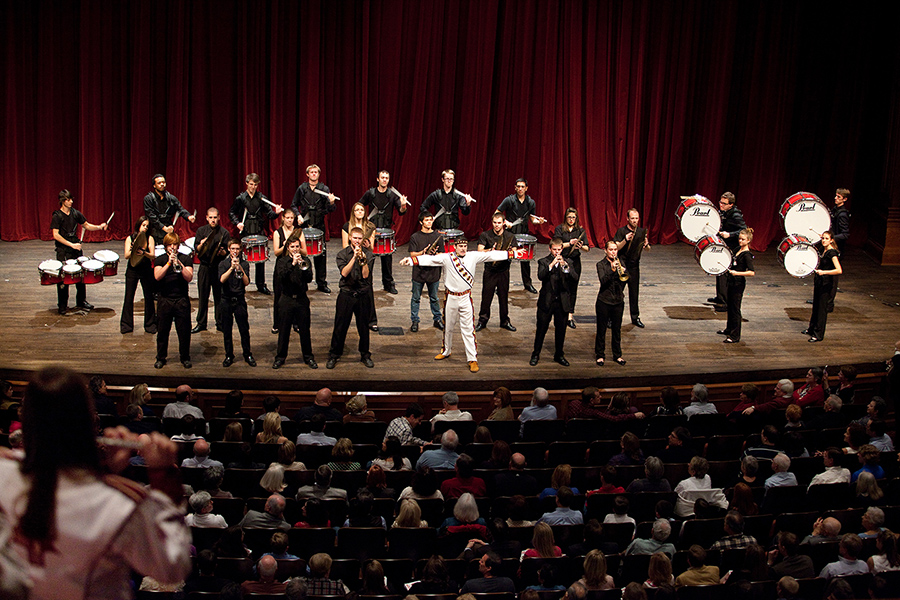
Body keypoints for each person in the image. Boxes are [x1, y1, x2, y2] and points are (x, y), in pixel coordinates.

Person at [0, 366, 191, 597]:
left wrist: (104, 467)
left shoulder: (5, 472)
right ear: (88, 422)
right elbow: (171, 568)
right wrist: (164, 477)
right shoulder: (120, 505)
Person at [400, 236, 523, 373]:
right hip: (451, 298)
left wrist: (513, 253)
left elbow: (491, 255)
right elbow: (429, 259)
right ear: (455, 247)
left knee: (468, 329)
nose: (463, 248)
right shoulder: (447, 257)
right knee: (448, 327)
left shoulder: (473, 256)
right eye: (460, 246)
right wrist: (410, 260)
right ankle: (446, 350)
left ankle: (472, 359)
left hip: (465, 298)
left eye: (465, 246)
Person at [50, 189, 108, 314]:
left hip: (75, 248)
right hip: (63, 250)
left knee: (80, 274)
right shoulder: (57, 216)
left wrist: (99, 226)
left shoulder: (75, 213)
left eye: (71, 199)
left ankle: (81, 301)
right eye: (68, 200)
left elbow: (86, 225)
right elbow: (56, 235)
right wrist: (72, 245)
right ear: (63, 201)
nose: (71, 201)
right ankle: (62, 305)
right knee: (64, 277)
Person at [326, 226, 375, 369]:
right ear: (350, 238)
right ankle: (334, 355)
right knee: (340, 327)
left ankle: (365, 355)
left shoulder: (369, 255)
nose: (357, 241)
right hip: (346, 294)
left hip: (362, 295)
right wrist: (354, 257)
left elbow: (366, 275)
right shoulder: (342, 254)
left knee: (363, 328)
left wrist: (363, 260)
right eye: (355, 238)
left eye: (360, 239)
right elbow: (344, 273)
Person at [229, 173, 283, 294]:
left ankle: (260, 285)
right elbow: (231, 213)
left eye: (255, 185)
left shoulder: (261, 198)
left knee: (260, 259)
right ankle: (239, 282)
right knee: (242, 259)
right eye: (251, 184)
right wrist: (237, 223)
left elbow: (270, 214)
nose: (253, 187)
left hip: (258, 231)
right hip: (245, 231)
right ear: (247, 183)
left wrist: (277, 213)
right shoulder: (241, 199)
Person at [359, 169, 408, 294]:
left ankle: (388, 284)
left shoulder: (392, 195)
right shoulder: (370, 193)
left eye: (387, 178)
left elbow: (402, 212)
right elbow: (359, 206)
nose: (384, 179)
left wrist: (403, 205)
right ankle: (366, 283)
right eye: (382, 177)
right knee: (369, 258)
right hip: (371, 231)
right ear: (378, 179)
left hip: (386, 230)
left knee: (387, 260)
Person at [531, 237, 578, 366]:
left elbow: (575, 278)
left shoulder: (568, 262)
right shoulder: (544, 261)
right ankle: (535, 354)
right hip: (546, 302)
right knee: (541, 330)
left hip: (562, 303)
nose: (557, 252)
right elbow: (541, 276)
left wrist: (565, 266)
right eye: (554, 250)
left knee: (561, 331)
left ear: (562, 249)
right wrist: (551, 265)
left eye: (559, 250)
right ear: (550, 249)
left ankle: (559, 355)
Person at [272, 234, 317, 369]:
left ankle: (308, 357)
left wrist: (301, 265)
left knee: (305, 330)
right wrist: (292, 264)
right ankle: (280, 358)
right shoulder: (282, 262)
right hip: (286, 299)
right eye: (292, 247)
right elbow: (281, 277)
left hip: (302, 299)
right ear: (288, 248)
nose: (296, 249)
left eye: (297, 246)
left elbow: (309, 278)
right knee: (284, 331)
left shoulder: (306, 260)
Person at [291, 163, 337, 293]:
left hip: (319, 226)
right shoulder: (302, 189)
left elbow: (330, 209)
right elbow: (293, 205)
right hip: (304, 226)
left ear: (319, 174)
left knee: (320, 255)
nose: (314, 174)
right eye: (311, 172)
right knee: (302, 253)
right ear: (307, 174)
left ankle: (321, 283)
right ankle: (301, 281)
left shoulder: (324, 189)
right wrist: (298, 215)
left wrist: (332, 202)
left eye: (316, 172)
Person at [497, 178, 545, 293]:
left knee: (525, 261)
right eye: (518, 186)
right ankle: (501, 286)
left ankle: (527, 284)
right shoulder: (509, 200)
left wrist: (539, 222)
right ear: (515, 187)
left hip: (524, 234)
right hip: (510, 234)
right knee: (506, 260)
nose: (520, 189)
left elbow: (533, 219)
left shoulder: (530, 202)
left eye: (522, 187)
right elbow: (497, 213)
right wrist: (505, 222)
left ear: (526, 188)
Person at [154, 232, 194, 368]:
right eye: (170, 245)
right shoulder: (159, 259)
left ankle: (185, 357)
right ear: (165, 246)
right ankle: (160, 358)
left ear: (178, 245)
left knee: (184, 332)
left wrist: (179, 263)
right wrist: (168, 263)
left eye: (175, 244)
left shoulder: (186, 259)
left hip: (181, 300)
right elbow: (157, 276)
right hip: (165, 300)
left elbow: (189, 277)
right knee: (162, 331)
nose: (173, 247)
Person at [475, 212, 517, 332]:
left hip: (504, 271)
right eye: (494, 223)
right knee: (486, 297)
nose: (496, 225)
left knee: (504, 297)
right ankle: (482, 321)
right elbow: (480, 251)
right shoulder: (485, 235)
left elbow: (514, 252)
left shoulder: (510, 236)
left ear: (504, 223)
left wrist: (508, 252)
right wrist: (491, 251)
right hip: (490, 271)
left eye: (499, 223)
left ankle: (504, 321)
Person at [217, 239, 256, 367]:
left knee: (244, 329)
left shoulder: (244, 264)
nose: (235, 251)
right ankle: (229, 355)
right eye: (233, 249)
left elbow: (246, 282)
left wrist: (239, 268)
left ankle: (247, 354)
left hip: (239, 300)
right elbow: (221, 280)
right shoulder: (223, 263)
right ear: (229, 249)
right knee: (227, 330)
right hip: (226, 300)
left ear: (240, 250)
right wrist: (231, 268)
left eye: (237, 249)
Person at [192, 207, 231, 333]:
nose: (213, 220)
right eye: (211, 217)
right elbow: (196, 249)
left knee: (219, 296)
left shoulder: (224, 233)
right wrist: (202, 244)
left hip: (218, 267)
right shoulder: (201, 231)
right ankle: (201, 323)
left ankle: (220, 322)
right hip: (204, 267)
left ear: (219, 217)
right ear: (206, 218)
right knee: (203, 296)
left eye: (215, 217)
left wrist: (222, 252)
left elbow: (226, 252)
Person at [343, 201, 379, 330]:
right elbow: (344, 247)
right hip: (351, 258)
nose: (360, 212)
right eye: (357, 210)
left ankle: (371, 319)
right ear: (353, 212)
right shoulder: (347, 226)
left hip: (366, 258)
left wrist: (368, 246)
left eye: (362, 210)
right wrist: (355, 252)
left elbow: (373, 247)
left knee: (367, 286)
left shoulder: (370, 226)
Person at [708, 191, 746, 309]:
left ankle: (725, 302)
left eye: (724, 203)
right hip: (725, 245)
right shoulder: (723, 212)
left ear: (731, 205)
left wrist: (729, 234)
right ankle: (720, 296)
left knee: (725, 273)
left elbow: (744, 230)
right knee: (720, 272)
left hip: (733, 247)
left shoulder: (736, 215)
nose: (721, 205)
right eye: (720, 202)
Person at [408, 211, 444, 332]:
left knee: (434, 297)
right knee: (416, 298)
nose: (429, 222)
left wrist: (435, 254)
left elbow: (442, 255)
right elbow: (412, 255)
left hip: (433, 272)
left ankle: (437, 319)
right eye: (427, 220)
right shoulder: (415, 237)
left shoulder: (438, 236)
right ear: (421, 222)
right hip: (419, 272)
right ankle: (415, 320)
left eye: (430, 220)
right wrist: (422, 253)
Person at [614, 208, 651, 327]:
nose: (635, 221)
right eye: (632, 218)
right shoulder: (621, 231)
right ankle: (613, 317)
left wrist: (646, 245)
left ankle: (635, 317)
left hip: (635, 266)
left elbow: (648, 249)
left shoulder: (641, 231)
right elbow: (617, 247)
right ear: (627, 219)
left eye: (636, 218)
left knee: (634, 293)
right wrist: (625, 239)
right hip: (623, 264)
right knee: (618, 292)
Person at [272, 207, 306, 333]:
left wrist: (295, 249)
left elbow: (305, 252)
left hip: (296, 264)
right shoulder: (278, 233)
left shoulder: (299, 232)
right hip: (282, 264)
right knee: (279, 294)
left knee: (296, 293)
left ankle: (296, 322)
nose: (290, 220)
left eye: (292, 218)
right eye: (287, 218)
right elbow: (276, 252)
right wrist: (285, 244)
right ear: (283, 218)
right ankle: (277, 323)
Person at [120, 215, 157, 333]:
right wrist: (134, 249)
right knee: (129, 297)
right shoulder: (130, 238)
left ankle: (150, 324)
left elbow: (152, 255)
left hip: (145, 270)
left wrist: (144, 252)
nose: (145, 228)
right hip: (132, 270)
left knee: (149, 297)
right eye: (143, 225)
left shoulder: (150, 238)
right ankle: (126, 325)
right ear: (139, 225)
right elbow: (126, 255)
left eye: (147, 226)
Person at [718, 228, 755, 343]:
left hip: (738, 283)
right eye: (739, 238)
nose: (740, 241)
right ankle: (729, 329)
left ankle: (735, 336)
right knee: (730, 307)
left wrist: (737, 273)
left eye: (743, 239)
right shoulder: (738, 249)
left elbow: (751, 272)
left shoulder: (747, 255)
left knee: (735, 309)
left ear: (748, 240)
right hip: (731, 281)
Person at [804, 230, 842, 342]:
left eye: (826, 239)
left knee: (821, 310)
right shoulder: (822, 250)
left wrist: (824, 272)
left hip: (827, 284)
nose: (824, 240)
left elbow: (839, 270)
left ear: (831, 240)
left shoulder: (832, 253)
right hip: (820, 282)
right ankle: (811, 329)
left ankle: (818, 334)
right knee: (816, 306)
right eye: (823, 238)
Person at [554, 207, 590, 328]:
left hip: (575, 262)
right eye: (569, 217)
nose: (571, 219)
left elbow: (587, 248)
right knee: (560, 287)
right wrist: (570, 243)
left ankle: (570, 315)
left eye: (573, 217)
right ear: (566, 217)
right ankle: (559, 312)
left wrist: (580, 246)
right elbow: (556, 244)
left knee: (573, 289)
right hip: (562, 260)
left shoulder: (580, 230)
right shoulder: (559, 229)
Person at [594, 240, 628, 366]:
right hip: (604, 300)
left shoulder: (621, 262)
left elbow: (625, 280)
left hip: (618, 301)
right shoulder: (601, 264)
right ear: (605, 251)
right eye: (611, 250)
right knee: (601, 329)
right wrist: (612, 271)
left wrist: (622, 271)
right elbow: (603, 281)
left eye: (615, 250)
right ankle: (600, 355)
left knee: (616, 330)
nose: (613, 252)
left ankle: (617, 355)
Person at [143, 173, 195, 245]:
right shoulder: (149, 199)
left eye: (163, 182)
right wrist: (164, 228)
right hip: (154, 229)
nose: (162, 184)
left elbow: (180, 209)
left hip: (168, 228)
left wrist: (188, 216)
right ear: (154, 186)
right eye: (159, 183)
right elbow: (151, 216)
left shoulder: (170, 198)